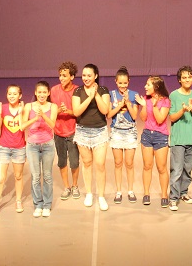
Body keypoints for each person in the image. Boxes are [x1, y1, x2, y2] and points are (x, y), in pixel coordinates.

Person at [72, 63, 111, 210]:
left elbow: (105, 110)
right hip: (82, 131)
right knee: (87, 163)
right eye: (84, 75)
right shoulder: (78, 91)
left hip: (99, 131)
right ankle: (89, 193)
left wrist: (96, 95)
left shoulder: (103, 90)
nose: (86, 78)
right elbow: (76, 112)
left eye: (89, 75)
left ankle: (101, 196)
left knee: (100, 164)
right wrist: (89, 98)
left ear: (96, 76)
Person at [167, 66, 192, 211]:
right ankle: (173, 198)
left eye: (189, 77)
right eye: (184, 77)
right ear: (179, 80)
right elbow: (172, 117)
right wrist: (183, 110)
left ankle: (184, 192)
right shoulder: (174, 95)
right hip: (178, 140)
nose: (187, 80)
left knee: (187, 169)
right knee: (177, 170)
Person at [23, 81, 58, 217]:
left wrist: (43, 115)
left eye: (45, 92)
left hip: (48, 144)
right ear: (35, 93)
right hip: (32, 145)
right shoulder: (29, 106)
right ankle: (38, 204)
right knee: (36, 177)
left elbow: (53, 125)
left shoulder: (53, 106)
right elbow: (22, 126)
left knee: (48, 176)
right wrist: (35, 118)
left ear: (48, 93)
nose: (42, 94)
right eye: (39, 92)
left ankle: (47, 205)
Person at [135, 76, 171, 208]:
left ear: (156, 87)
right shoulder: (146, 99)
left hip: (160, 136)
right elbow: (143, 118)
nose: (145, 86)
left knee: (161, 168)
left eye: (148, 84)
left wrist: (155, 106)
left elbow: (161, 119)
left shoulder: (165, 101)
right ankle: (146, 194)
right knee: (147, 166)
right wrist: (144, 106)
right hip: (147, 136)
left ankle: (164, 195)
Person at [0, 84, 26, 218]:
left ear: (20, 96)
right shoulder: (3, 108)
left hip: (19, 147)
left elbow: (22, 128)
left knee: (18, 176)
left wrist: (22, 112)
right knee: (1, 178)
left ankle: (18, 201)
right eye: (9, 94)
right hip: (4, 147)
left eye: (15, 94)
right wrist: (0, 113)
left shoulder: (23, 109)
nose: (12, 96)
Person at [107, 66, 139, 204]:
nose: (123, 86)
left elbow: (134, 116)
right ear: (116, 82)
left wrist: (128, 103)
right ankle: (119, 191)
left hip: (130, 132)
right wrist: (119, 106)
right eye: (120, 83)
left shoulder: (134, 95)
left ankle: (130, 190)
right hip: (116, 132)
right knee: (118, 163)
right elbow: (109, 115)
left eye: (125, 83)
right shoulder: (111, 94)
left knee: (129, 163)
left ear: (129, 82)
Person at [50, 61, 80, 201]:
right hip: (58, 132)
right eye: (60, 75)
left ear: (72, 76)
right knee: (62, 162)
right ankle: (66, 187)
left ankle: (75, 186)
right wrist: (56, 111)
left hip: (73, 131)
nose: (61, 78)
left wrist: (68, 111)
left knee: (74, 162)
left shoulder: (77, 91)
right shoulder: (54, 90)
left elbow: (81, 112)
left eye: (64, 76)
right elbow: (48, 109)